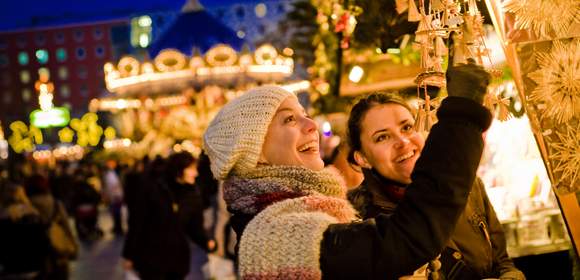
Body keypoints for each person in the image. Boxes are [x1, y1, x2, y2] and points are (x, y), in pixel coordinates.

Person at [202, 61, 492, 279]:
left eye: (305, 115)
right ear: (257, 153)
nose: (311, 125)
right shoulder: (275, 236)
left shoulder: (309, 213)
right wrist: (461, 117)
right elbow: (406, 239)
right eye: (289, 120)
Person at [347, 65, 525, 279]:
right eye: (382, 137)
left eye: (406, 127)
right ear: (362, 158)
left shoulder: (468, 186)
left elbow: (502, 262)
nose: (403, 142)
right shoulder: (357, 220)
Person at [122, 152, 213, 280]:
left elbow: (194, 227)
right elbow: (137, 223)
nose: (196, 173)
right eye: (191, 169)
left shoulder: (193, 195)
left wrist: (207, 243)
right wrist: (129, 255)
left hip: (177, 261)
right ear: (179, 168)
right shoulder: (153, 188)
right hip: (151, 259)